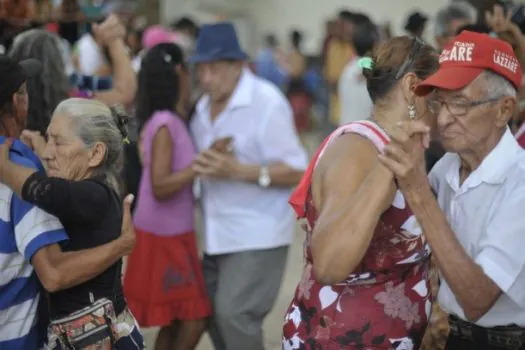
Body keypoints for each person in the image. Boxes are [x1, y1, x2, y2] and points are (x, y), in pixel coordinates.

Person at [283, 36, 439, 349]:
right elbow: (328, 263)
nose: (444, 105)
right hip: (341, 339)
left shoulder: (389, 145)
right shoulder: (360, 151)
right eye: (438, 93)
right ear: (412, 87)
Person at [379, 30, 525, 350]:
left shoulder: (520, 182)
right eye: (439, 103)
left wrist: (417, 190)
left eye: (459, 103)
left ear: (503, 110)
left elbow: (476, 298)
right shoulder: (446, 166)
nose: (443, 119)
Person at [0, 56, 135, 349]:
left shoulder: (96, 195)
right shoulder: (86, 186)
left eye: (58, 143)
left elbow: (47, 191)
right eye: (47, 140)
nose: (48, 154)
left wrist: (8, 169)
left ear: (95, 154)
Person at [189, 22, 307, 350]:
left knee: (235, 313)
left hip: (258, 231)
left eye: (214, 69)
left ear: (238, 65)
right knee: (210, 313)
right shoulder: (201, 109)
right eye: (202, 69)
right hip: (214, 233)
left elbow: (298, 169)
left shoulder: (266, 102)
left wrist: (239, 170)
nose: (206, 78)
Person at [123, 43, 211, 350]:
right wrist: (200, 165)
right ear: (178, 75)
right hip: (164, 234)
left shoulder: (167, 119)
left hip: (172, 229)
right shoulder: (165, 123)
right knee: (194, 317)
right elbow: (160, 186)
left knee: (176, 319)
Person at [9, 14, 136, 135]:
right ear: (57, 65)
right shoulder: (72, 102)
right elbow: (125, 93)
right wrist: (114, 40)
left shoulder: (6, 108)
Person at [339, 18, 379, 125]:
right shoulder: (377, 71)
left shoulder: (347, 70)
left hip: (346, 131)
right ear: (375, 45)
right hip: (367, 133)